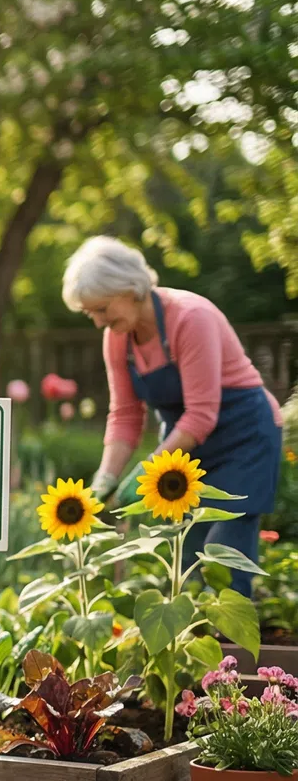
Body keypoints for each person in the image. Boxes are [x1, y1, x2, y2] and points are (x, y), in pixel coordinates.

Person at [67, 236, 284, 594]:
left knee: (224, 556)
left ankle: (233, 630)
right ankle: (194, 630)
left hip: (244, 439)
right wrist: (105, 479)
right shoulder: (118, 336)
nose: (98, 322)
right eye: (91, 313)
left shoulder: (190, 317)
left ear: (130, 289)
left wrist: (145, 472)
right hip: (186, 449)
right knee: (187, 555)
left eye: (102, 309)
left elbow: (201, 414)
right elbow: (125, 414)